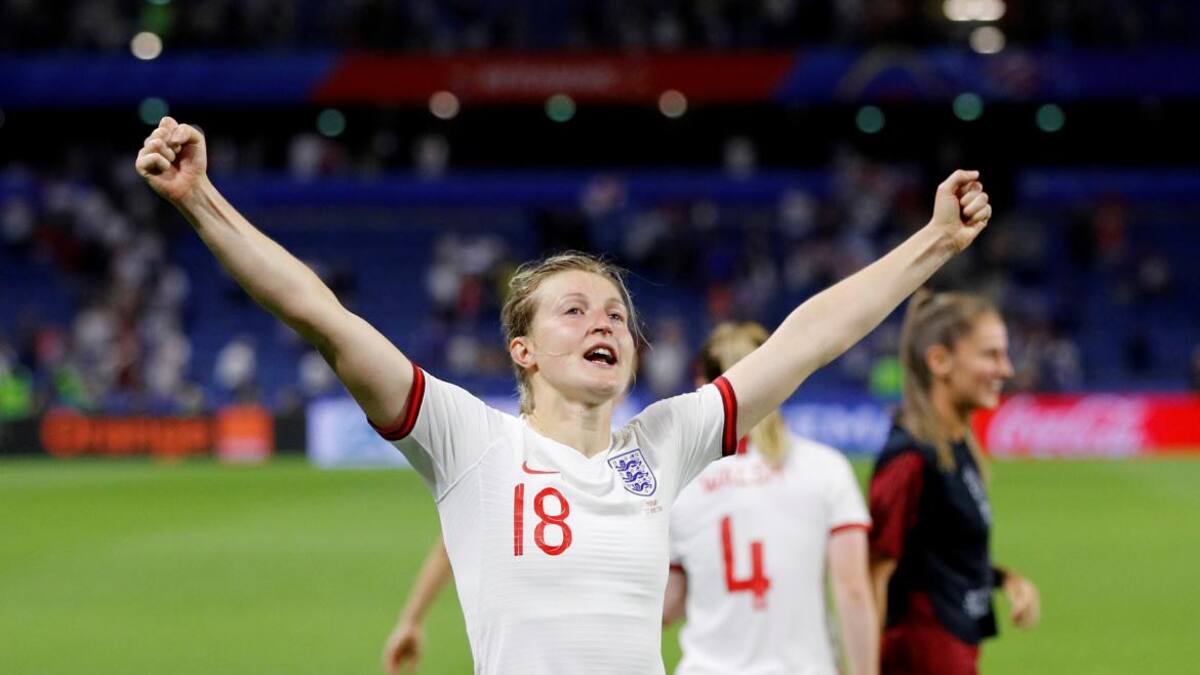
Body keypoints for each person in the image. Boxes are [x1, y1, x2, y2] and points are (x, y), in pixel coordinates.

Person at [136, 116, 993, 675]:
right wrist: (200, 199)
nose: (605, 321)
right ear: (524, 350)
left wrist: (932, 242)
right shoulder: (468, 442)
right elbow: (319, 314)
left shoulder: (664, 444)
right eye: (575, 308)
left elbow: (810, 335)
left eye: (617, 312)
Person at [663, 322, 878, 675]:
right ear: (784, 383)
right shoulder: (825, 468)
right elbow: (852, 590)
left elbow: (669, 603)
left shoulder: (680, 482)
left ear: (702, 385)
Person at [868, 290, 1040, 675]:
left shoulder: (956, 447)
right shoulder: (911, 458)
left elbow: (937, 555)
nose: (1006, 370)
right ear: (939, 360)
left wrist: (1004, 579)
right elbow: (871, 576)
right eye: (990, 355)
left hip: (955, 651)